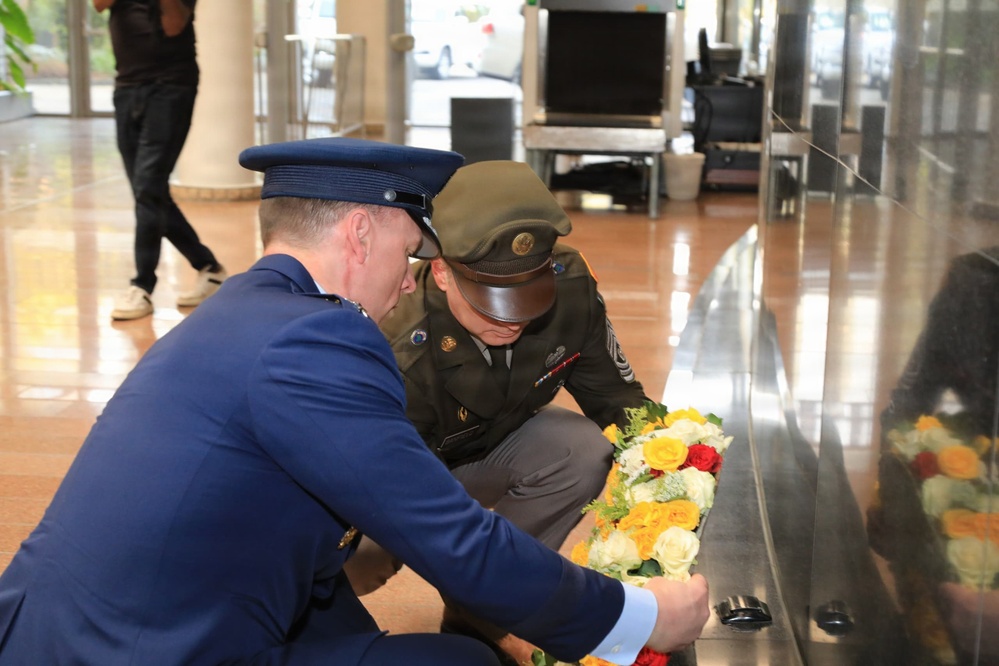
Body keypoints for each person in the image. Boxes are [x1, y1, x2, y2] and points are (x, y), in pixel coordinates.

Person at [0, 137, 710, 665]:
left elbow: (295, 543)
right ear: (360, 231)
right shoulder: (320, 343)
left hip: (104, 623)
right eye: (408, 255)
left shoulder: (246, 306)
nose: (410, 282)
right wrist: (635, 617)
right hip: (146, 649)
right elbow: (450, 537)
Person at [377, 160, 651, 663]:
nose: (514, 319)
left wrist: (669, 469)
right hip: (408, 470)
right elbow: (406, 500)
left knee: (583, 448)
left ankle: (486, 608)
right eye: (489, 300)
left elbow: (619, 401)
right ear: (441, 271)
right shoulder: (399, 344)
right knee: (363, 557)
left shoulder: (571, 290)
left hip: (493, 444)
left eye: (529, 294)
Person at [93, 0, 227, 321]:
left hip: (171, 86)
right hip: (127, 85)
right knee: (148, 191)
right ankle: (209, 268)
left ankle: (142, 286)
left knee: (148, 187)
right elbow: (99, 4)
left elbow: (174, 23)